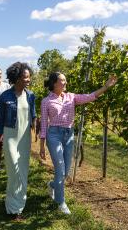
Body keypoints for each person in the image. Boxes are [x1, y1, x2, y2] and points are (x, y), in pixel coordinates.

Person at [39, 72, 117, 214]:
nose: (65, 83)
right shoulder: (46, 101)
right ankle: (61, 202)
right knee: (60, 169)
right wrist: (42, 146)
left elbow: (90, 96)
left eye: (65, 80)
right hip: (54, 135)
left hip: (68, 135)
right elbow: (44, 124)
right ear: (54, 83)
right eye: (63, 80)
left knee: (66, 170)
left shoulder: (71, 97)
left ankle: (51, 185)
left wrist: (105, 87)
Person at [0, 62, 36, 220]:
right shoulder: (5, 96)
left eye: (28, 76)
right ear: (17, 78)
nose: (28, 79)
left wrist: (38, 127)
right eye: (25, 77)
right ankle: (13, 208)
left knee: (23, 172)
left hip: (24, 138)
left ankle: (16, 207)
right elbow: (0, 123)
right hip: (11, 136)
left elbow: (33, 115)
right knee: (15, 173)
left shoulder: (31, 95)